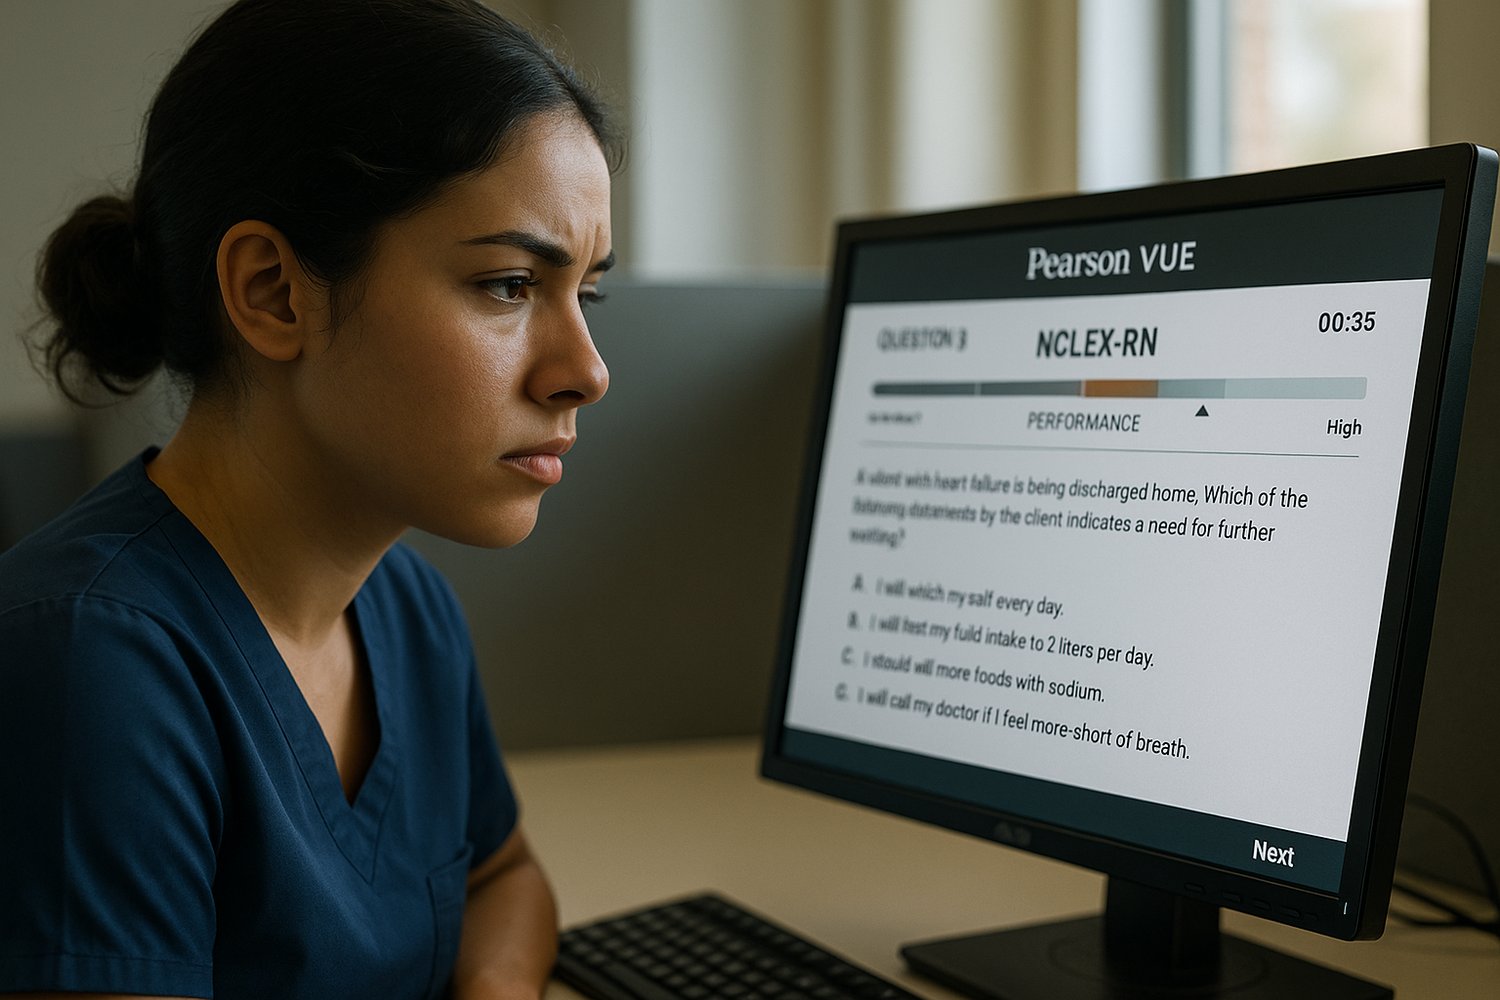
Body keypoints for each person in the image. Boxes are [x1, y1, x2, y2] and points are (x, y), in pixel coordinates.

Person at [0, 1, 618, 997]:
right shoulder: (90, 662)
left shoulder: (409, 610)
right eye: (509, 284)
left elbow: (502, 878)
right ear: (273, 292)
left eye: (586, 293)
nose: (586, 372)